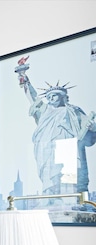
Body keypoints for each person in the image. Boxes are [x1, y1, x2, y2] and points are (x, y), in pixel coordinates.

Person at [15, 57, 96, 195]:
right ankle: (51, 198)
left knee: (68, 180)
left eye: (55, 96)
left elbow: (89, 128)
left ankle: (70, 199)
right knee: (49, 177)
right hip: (47, 147)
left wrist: (91, 125)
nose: (51, 99)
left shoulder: (72, 110)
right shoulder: (45, 111)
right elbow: (33, 97)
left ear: (63, 97)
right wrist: (23, 76)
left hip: (67, 146)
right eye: (49, 96)